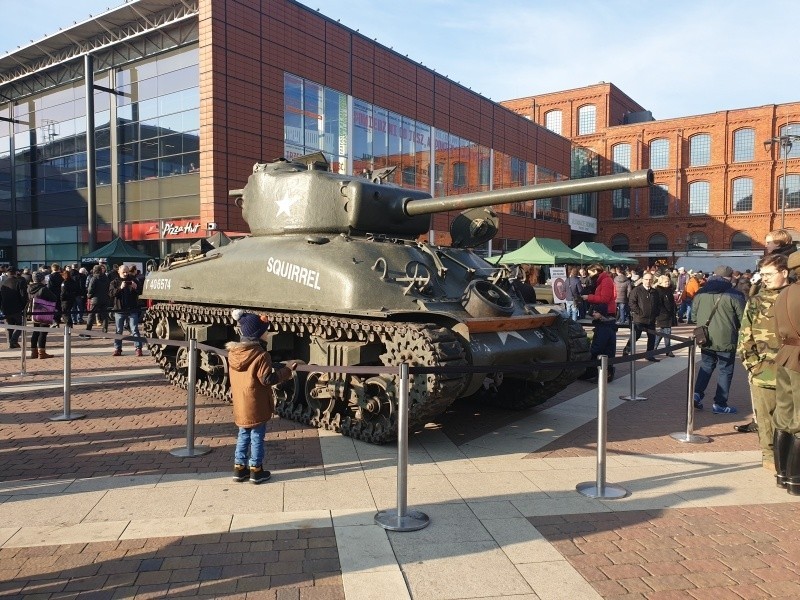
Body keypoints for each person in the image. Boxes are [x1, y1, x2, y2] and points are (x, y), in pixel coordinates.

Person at [227, 310, 297, 484]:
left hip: (241, 403)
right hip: (256, 403)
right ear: (258, 334)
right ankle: (256, 470)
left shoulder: (233, 354)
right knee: (257, 436)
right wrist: (287, 370)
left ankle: (239, 468)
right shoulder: (261, 354)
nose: (267, 333)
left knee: (243, 434)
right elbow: (267, 379)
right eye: (265, 330)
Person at [736, 254, 790, 470]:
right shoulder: (756, 301)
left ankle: (789, 458)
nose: (764, 279)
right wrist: (753, 366)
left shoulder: (793, 297)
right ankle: (769, 456)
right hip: (764, 371)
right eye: (763, 274)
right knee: (765, 418)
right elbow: (744, 337)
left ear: (784, 272)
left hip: (792, 371)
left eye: (769, 274)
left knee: (791, 417)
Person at [692, 265, 746, 414]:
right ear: (729, 278)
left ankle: (696, 395)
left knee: (706, 366)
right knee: (725, 370)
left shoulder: (701, 292)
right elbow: (744, 319)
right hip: (727, 337)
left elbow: (693, 317)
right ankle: (720, 403)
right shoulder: (735, 294)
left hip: (705, 337)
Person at [772, 250, 800, 493]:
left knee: (784, 415)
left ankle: (783, 475)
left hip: (785, 356)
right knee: (799, 420)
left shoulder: (783, 294)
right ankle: (796, 480)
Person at [580, 263, 617, 382]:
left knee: (602, 345)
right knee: (604, 344)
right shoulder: (602, 281)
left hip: (605, 314)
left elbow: (604, 299)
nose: (589, 276)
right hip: (603, 314)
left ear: (596, 271)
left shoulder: (606, 281)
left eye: (590, 273)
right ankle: (600, 372)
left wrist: (589, 297)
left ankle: (606, 372)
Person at [625, 271, 660, 361]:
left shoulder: (654, 292)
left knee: (652, 338)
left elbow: (658, 304)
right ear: (642, 280)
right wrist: (639, 312)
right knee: (635, 336)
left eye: (650, 280)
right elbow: (631, 302)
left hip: (651, 319)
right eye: (646, 279)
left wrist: (656, 313)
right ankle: (627, 350)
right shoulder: (637, 290)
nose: (648, 281)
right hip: (639, 319)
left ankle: (649, 355)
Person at [109, 264, 143, 356]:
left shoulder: (134, 279)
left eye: (127, 272)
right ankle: (117, 349)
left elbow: (140, 292)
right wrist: (120, 288)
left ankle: (138, 348)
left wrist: (136, 287)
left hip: (132, 309)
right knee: (119, 330)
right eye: (123, 272)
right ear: (119, 272)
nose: (125, 274)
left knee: (134, 329)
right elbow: (111, 294)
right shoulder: (114, 282)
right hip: (119, 309)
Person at [27, 271, 57, 359]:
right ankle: (41, 352)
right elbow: (53, 298)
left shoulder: (29, 288)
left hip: (33, 312)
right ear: (41, 279)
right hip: (43, 311)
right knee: (43, 332)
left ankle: (33, 351)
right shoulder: (43, 289)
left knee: (35, 331)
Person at [0, 266, 28, 349]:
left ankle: (10, 343)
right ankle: (14, 340)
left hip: (5, 308)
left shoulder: (3, 283)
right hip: (16, 307)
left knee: (9, 326)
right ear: (16, 272)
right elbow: (23, 295)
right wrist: (23, 306)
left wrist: (1, 307)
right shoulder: (19, 281)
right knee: (20, 324)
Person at [653, 274, 677, 357]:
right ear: (661, 282)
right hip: (663, 315)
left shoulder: (668, 290)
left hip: (668, 315)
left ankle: (655, 348)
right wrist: (665, 312)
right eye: (666, 281)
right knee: (665, 332)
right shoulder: (659, 291)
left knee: (663, 332)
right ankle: (667, 349)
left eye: (668, 281)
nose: (668, 283)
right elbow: (659, 304)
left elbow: (671, 302)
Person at [85, 264, 110, 333]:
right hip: (105, 298)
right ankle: (105, 331)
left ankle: (88, 331)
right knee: (105, 316)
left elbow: (90, 289)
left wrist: (89, 296)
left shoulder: (94, 278)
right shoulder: (106, 277)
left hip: (95, 299)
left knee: (91, 315)